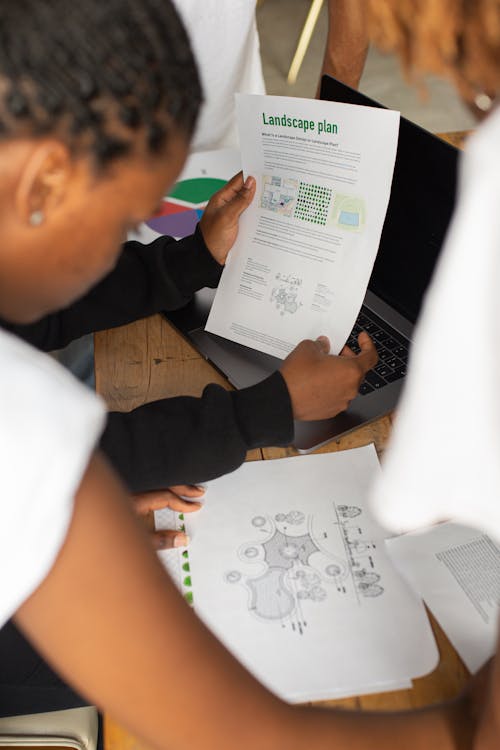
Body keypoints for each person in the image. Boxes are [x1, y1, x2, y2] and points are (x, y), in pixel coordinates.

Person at [1, 2, 497, 749]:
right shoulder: (26, 428)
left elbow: (26, 318)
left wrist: (188, 259)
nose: (119, 242)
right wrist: (465, 725)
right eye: (122, 220)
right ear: (41, 183)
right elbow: (238, 731)